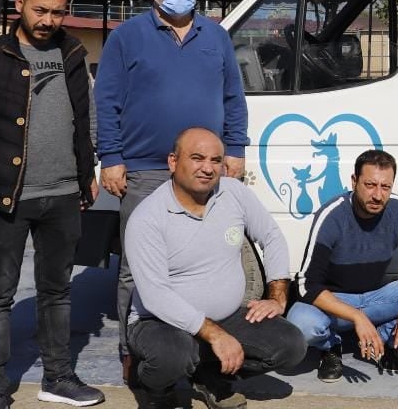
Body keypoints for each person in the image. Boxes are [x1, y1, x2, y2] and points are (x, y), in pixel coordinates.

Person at [0, 0, 106, 409]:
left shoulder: (72, 52)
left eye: (57, 11)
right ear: (19, 3)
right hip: (3, 197)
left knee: (57, 291)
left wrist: (85, 170)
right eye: (40, 9)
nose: (48, 19)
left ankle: (58, 377)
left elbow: (85, 118)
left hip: (62, 196)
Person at [94, 0, 250, 380]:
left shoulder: (216, 36)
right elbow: (106, 101)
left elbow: (233, 98)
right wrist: (111, 158)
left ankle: (204, 344)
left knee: (211, 257)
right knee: (135, 266)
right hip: (144, 169)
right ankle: (132, 348)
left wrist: (234, 150)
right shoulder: (127, 37)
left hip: (205, 169)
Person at [125, 128, 305, 409]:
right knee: (174, 356)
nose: (208, 168)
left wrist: (278, 295)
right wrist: (215, 335)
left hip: (227, 316)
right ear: (173, 162)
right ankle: (157, 387)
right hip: (160, 322)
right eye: (197, 158)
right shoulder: (147, 218)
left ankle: (209, 375)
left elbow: (271, 236)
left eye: (215, 160)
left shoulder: (233, 192)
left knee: (292, 345)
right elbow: (155, 295)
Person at [287, 150, 398, 381]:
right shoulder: (332, 215)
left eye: (385, 187)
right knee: (300, 324)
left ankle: (381, 338)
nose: (378, 195)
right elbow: (306, 285)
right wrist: (357, 318)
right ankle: (331, 347)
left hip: (378, 297)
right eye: (370, 185)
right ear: (354, 181)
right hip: (337, 303)